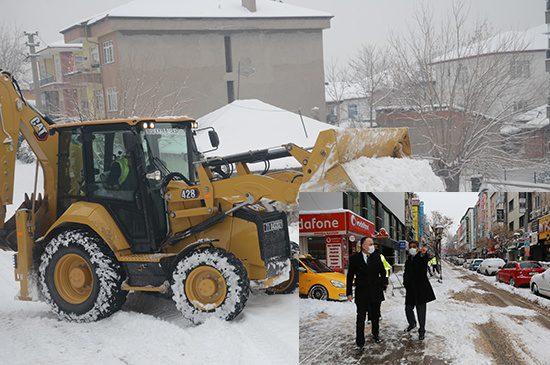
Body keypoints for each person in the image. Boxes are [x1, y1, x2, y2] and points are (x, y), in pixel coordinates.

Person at [346, 237, 388, 347]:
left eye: (372, 244)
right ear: (363, 246)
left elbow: (383, 271)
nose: (372, 246)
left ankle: (375, 334)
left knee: (375, 316)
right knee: (360, 317)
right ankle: (360, 342)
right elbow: (350, 276)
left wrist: (383, 283)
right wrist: (349, 292)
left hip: (375, 292)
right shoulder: (355, 258)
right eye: (370, 244)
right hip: (362, 293)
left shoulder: (377, 256)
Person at [403, 241, 436, 341]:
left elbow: (427, 258)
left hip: (421, 289)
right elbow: (406, 272)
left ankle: (422, 331)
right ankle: (412, 323)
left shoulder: (421, 257)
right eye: (411, 247)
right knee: (408, 309)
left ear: (417, 248)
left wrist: (424, 253)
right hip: (410, 289)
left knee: (421, 311)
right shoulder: (408, 260)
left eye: (414, 247)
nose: (412, 248)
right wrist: (405, 282)